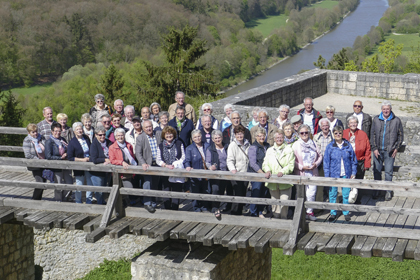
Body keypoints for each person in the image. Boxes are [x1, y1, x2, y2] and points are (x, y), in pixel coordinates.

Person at [370, 100, 404, 201]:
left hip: (390, 151)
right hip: (378, 150)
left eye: (387, 109)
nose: (386, 111)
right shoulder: (376, 119)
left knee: (388, 172)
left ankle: (388, 191)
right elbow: (372, 135)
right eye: (384, 109)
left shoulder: (396, 120)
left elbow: (400, 136)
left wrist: (397, 148)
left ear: (390, 109)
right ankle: (377, 190)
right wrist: (374, 149)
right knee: (376, 171)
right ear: (381, 109)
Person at [324, 126, 357, 221]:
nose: (338, 135)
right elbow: (326, 162)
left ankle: (346, 212)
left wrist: (353, 172)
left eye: (340, 133)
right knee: (333, 194)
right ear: (333, 134)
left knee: (346, 194)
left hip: (346, 173)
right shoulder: (330, 146)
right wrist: (327, 176)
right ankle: (333, 213)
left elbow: (353, 160)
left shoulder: (347, 145)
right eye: (336, 133)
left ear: (342, 134)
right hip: (333, 174)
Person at [262, 130, 295, 219]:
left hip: (285, 181)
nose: (279, 139)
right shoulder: (270, 150)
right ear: (274, 139)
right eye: (277, 138)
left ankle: (284, 219)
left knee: (284, 202)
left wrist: (283, 172)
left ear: (283, 138)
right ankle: (276, 219)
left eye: (281, 137)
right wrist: (267, 170)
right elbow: (265, 163)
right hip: (273, 182)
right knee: (275, 203)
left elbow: (291, 164)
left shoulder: (289, 149)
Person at [292, 124, 322, 221]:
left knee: (311, 193)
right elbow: (292, 160)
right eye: (302, 133)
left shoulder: (313, 143)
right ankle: (299, 213)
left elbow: (320, 155)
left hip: (313, 172)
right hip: (301, 172)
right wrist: (301, 167)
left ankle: (309, 212)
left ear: (309, 133)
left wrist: (316, 164)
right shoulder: (296, 145)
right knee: (300, 193)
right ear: (299, 134)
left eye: (306, 132)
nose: (304, 134)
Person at [135, 120, 163, 213]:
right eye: (146, 127)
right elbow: (138, 153)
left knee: (155, 183)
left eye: (150, 126)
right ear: (143, 129)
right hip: (147, 165)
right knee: (147, 183)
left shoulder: (158, 134)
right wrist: (143, 163)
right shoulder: (140, 138)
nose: (149, 128)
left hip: (157, 164)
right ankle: (147, 203)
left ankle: (153, 202)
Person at [156, 126, 186, 210]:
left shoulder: (179, 143)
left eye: (171, 134)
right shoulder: (161, 146)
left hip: (176, 170)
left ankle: (175, 209)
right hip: (165, 171)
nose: (169, 135)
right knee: (166, 190)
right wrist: (166, 165)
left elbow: (183, 157)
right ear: (164, 135)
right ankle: (167, 208)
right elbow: (158, 160)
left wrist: (176, 164)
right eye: (167, 134)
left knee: (176, 190)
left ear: (174, 134)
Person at [343, 116, 372, 201]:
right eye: (351, 123)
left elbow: (368, 149)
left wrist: (367, 163)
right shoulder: (344, 133)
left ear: (357, 123)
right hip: (347, 162)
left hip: (360, 161)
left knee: (359, 181)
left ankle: (358, 200)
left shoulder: (363, 134)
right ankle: (347, 200)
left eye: (355, 122)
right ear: (348, 124)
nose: (353, 124)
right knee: (347, 181)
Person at [109, 128, 138, 206]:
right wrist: (121, 162)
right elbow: (112, 160)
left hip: (130, 170)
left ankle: (129, 203)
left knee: (132, 188)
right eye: (118, 135)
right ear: (115, 137)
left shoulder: (129, 145)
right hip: (120, 173)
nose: (120, 137)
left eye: (122, 135)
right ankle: (125, 202)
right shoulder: (112, 147)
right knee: (129, 188)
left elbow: (132, 157)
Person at [206, 130, 231, 218]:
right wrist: (210, 167)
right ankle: (215, 208)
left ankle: (227, 208)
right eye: (215, 138)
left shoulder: (227, 147)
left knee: (224, 191)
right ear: (212, 139)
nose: (217, 139)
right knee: (216, 190)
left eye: (219, 137)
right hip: (216, 174)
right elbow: (208, 162)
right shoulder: (210, 149)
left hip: (226, 173)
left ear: (222, 137)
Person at [45, 123, 72, 202]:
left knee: (69, 183)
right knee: (58, 185)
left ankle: (64, 198)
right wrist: (60, 158)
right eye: (56, 131)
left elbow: (67, 149)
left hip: (65, 165)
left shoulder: (62, 140)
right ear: (52, 131)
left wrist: (67, 153)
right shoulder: (49, 142)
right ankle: (58, 201)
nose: (58, 133)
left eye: (59, 131)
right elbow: (48, 156)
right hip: (56, 166)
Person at [227, 125, 251, 215]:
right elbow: (230, 160)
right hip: (237, 173)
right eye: (238, 134)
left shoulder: (248, 144)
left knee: (243, 193)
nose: (240, 136)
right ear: (235, 135)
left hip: (246, 172)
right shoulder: (232, 145)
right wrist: (233, 169)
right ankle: (234, 212)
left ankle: (239, 212)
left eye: (241, 134)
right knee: (237, 193)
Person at [184, 129, 210, 212]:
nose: (197, 138)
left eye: (199, 136)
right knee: (195, 190)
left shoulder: (207, 145)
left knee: (205, 190)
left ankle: (204, 206)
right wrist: (188, 166)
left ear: (201, 137)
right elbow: (187, 160)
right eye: (195, 137)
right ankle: (196, 208)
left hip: (206, 173)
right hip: (195, 173)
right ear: (192, 138)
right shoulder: (189, 148)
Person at [67, 122, 93, 204]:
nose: (79, 131)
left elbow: (91, 148)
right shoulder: (72, 142)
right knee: (79, 184)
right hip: (79, 166)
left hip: (89, 165)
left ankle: (89, 201)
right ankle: (78, 202)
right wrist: (82, 160)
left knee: (90, 183)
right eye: (77, 129)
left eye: (80, 129)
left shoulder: (86, 138)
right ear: (74, 131)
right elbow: (70, 157)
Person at [248, 127, 270, 218]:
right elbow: (253, 163)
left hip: (266, 174)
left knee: (264, 193)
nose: (261, 137)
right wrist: (261, 173)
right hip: (257, 174)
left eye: (263, 135)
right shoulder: (253, 147)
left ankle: (260, 211)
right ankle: (253, 212)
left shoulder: (267, 146)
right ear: (256, 137)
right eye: (259, 136)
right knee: (256, 193)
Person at [23, 124, 47, 200]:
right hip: (35, 164)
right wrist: (38, 160)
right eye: (33, 132)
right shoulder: (27, 140)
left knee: (43, 181)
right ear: (29, 133)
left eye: (36, 131)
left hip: (45, 163)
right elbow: (28, 155)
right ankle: (35, 199)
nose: (35, 133)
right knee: (39, 182)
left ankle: (38, 199)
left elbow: (46, 148)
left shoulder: (42, 138)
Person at [89, 126, 112, 205]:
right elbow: (94, 159)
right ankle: (100, 206)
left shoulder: (108, 142)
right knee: (99, 191)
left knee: (105, 189)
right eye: (100, 135)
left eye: (104, 134)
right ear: (96, 135)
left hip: (107, 171)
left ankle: (103, 203)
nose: (102, 136)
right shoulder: (94, 144)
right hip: (97, 172)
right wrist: (105, 159)